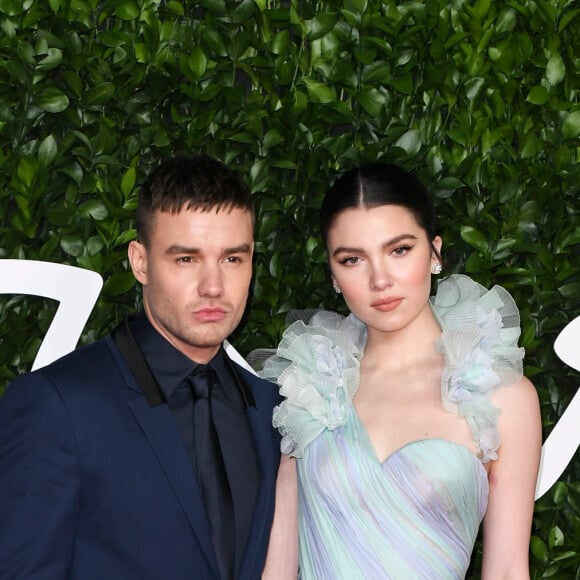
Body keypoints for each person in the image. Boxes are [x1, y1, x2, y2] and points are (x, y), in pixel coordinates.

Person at [0, 155, 281, 580]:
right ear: (141, 262)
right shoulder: (57, 405)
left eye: (232, 259)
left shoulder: (270, 408)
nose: (213, 286)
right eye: (186, 259)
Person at [261, 162, 542, 579]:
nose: (380, 279)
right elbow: (278, 570)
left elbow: (505, 570)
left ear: (435, 253)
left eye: (399, 250)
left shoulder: (503, 396)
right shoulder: (313, 386)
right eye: (353, 259)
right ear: (334, 276)